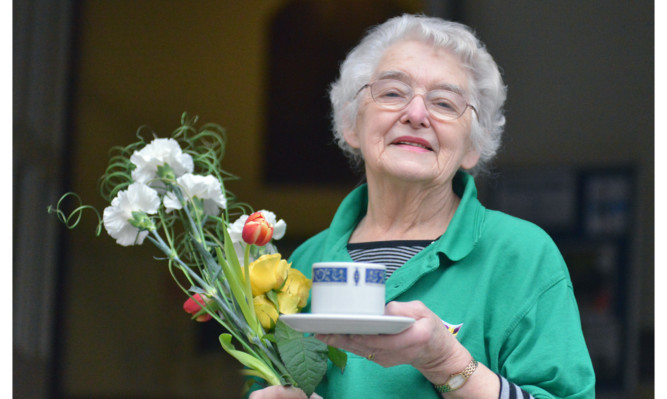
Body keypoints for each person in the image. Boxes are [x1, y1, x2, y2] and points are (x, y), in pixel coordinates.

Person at [250, 14, 595, 398]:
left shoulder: (521, 255)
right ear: (351, 123)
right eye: (393, 93)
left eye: (444, 103)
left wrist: (446, 362)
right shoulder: (301, 264)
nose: (416, 114)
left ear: (473, 146)